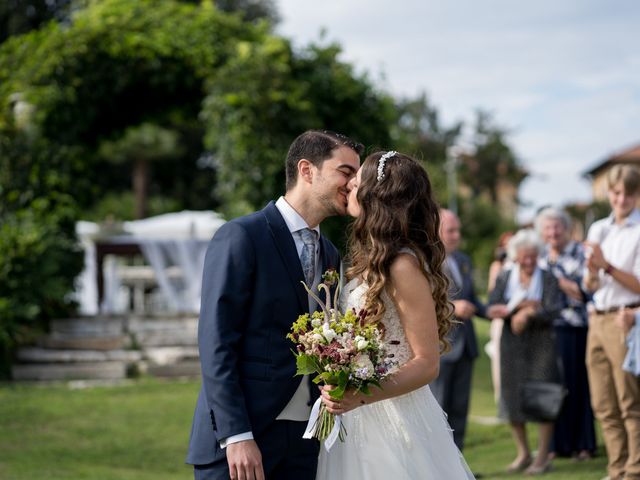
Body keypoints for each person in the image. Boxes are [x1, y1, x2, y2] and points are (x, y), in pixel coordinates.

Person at [185, 129, 363, 480]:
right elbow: (216, 342)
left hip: (305, 441)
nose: (354, 183)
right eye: (346, 172)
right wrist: (236, 435)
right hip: (242, 439)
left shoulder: (329, 253)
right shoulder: (242, 235)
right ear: (307, 170)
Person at [316, 151, 475, 479]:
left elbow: (426, 363)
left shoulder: (402, 265)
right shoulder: (370, 260)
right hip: (359, 414)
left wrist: (358, 395)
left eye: (356, 182)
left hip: (394, 414)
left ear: (376, 196)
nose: (348, 186)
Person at [487, 229, 563, 475]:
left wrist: (531, 312)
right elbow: (492, 306)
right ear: (515, 256)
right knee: (512, 396)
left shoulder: (548, 277)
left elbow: (554, 309)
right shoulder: (505, 276)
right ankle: (522, 453)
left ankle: (542, 457)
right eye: (524, 256)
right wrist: (520, 306)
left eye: (532, 256)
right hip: (512, 343)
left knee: (543, 396)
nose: (529, 261)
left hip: (542, 343)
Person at [583, 165, 640, 480]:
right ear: (609, 194)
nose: (622, 200)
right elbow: (590, 285)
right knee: (603, 403)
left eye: (628, 194)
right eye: (617, 193)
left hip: (626, 318)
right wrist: (592, 271)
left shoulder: (638, 230)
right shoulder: (598, 230)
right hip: (598, 318)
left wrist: (607, 266)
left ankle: (635, 469)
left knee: (629, 401)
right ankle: (616, 468)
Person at [535, 207, 596, 461]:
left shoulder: (580, 254)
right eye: (548, 228)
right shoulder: (539, 258)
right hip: (548, 330)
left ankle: (583, 444)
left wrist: (556, 279)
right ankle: (557, 445)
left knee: (578, 386)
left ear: (566, 228)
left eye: (557, 227)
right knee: (554, 387)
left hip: (574, 328)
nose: (553, 232)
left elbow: (584, 292)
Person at [430, 208, 487, 450]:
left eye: (458, 230)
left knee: (460, 410)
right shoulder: (426, 262)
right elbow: (422, 304)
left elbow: (472, 299)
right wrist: (453, 307)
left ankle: (460, 469)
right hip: (442, 347)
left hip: (467, 348)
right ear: (437, 230)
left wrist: (492, 311)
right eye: (451, 230)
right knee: (439, 411)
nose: (456, 235)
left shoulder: (463, 260)